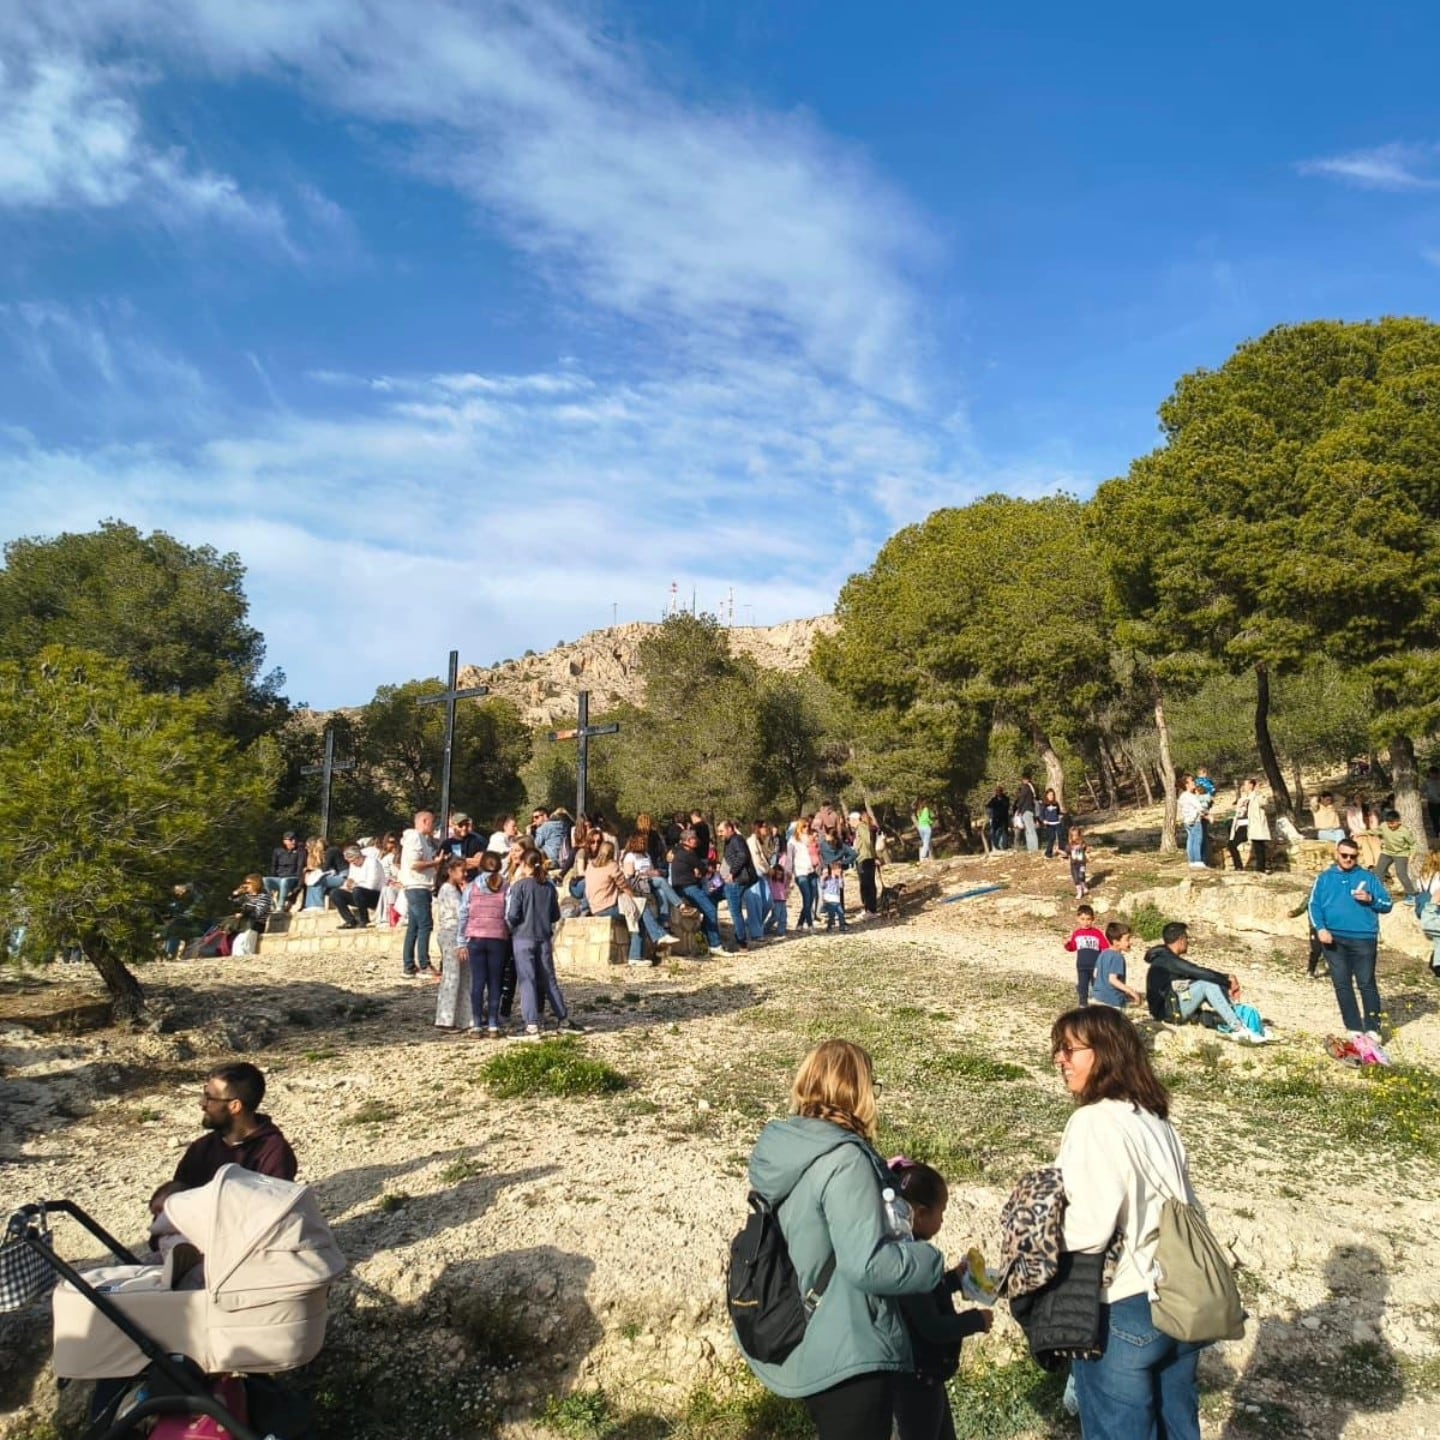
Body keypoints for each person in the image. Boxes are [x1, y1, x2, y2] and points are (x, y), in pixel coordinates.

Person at [742, 1040, 943, 1440]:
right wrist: (930, 1261)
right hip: (850, 1345)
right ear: (856, 1091)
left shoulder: (792, 1150)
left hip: (811, 1333)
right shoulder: (846, 1160)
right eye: (872, 1085)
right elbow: (866, 1264)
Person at [1050, 1007, 1204, 1440]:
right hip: (1179, 1297)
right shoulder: (1156, 1120)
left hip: (1123, 1304)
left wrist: (1037, 1244)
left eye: (1069, 1050)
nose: (1060, 1060)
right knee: (1179, 1428)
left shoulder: (1093, 1121)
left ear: (1104, 1053)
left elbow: (1089, 1229)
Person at [885, 1159, 993, 1440]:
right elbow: (933, 1327)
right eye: (941, 1212)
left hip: (925, 1378)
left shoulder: (902, 1252)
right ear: (921, 1214)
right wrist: (976, 1320)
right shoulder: (910, 1263)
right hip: (915, 1384)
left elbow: (928, 1295)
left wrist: (954, 1279)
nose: (943, 1220)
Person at [1307, 838, 1391, 1039]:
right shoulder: (1324, 878)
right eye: (1344, 855)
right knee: (1342, 984)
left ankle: (1373, 1028)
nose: (1348, 859)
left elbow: (1387, 904)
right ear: (1337, 854)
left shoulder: (1368, 878)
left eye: (1353, 856)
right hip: (1333, 939)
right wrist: (1321, 929)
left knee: (1366, 983)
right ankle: (1353, 1028)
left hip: (1364, 939)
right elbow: (1313, 905)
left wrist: (1371, 899)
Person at [173, 1062, 297, 1188]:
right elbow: (178, 1194)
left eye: (209, 1098)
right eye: (204, 1094)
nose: (202, 1103)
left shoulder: (272, 1153)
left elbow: (273, 1197)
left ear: (235, 1106)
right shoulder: (202, 1148)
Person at [507, 854, 586, 1037]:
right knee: (549, 979)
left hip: (523, 937)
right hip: (543, 937)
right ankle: (563, 1019)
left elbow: (513, 915)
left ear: (525, 865)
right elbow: (555, 915)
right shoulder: (549, 887)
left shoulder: (520, 886)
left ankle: (531, 1025)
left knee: (527, 981)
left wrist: (512, 926)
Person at [1143, 922, 1261, 1042]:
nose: (1188, 942)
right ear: (1181, 939)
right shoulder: (1168, 960)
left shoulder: (1165, 958)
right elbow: (1197, 972)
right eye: (1187, 938)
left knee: (1207, 992)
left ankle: (1236, 1017)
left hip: (1169, 1008)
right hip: (1168, 1013)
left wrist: (1225, 983)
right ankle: (1238, 1029)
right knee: (1206, 985)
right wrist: (1228, 981)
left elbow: (1194, 975)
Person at [587, 841, 678, 964]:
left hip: (595, 907)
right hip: (608, 907)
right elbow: (624, 886)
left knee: (638, 914)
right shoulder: (611, 866)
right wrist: (634, 898)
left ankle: (641, 953)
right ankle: (651, 942)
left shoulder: (590, 866)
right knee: (640, 908)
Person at [460, 853, 510, 1036]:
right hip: (497, 938)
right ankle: (493, 1023)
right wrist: (507, 929)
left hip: (475, 938)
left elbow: (463, 914)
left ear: (480, 867)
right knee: (495, 981)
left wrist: (460, 940)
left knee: (478, 982)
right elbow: (509, 914)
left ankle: (476, 1023)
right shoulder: (505, 886)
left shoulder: (472, 887)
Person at [399, 810, 442, 979]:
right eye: (432, 822)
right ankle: (424, 964)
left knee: (414, 927)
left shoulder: (421, 839)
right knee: (425, 925)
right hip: (417, 886)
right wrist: (435, 863)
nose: (433, 825)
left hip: (416, 886)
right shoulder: (415, 838)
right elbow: (415, 864)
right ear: (424, 821)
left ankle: (409, 966)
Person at [671, 828, 725, 956]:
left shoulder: (680, 851)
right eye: (694, 838)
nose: (696, 841)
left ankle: (705, 938)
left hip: (687, 886)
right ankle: (715, 944)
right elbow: (702, 868)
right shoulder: (687, 854)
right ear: (687, 840)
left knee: (712, 902)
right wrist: (703, 871)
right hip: (688, 887)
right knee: (710, 909)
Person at [433, 858, 472, 1032]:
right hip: (452, 934)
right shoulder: (448, 890)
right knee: (452, 976)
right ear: (451, 871)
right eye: (462, 871)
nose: (465, 874)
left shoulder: (453, 889)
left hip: (458, 934)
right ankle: (445, 1019)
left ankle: (465, 1017)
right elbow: (461, 912)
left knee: (464, 977)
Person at [720, 820, 762, 950]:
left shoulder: (736, 840)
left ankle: (741, 942)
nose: (719, 834)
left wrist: (732, 873)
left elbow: (742, 856)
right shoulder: (731, 841)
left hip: (737, 880)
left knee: (735, 911)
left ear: (729, 829)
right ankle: (738, 939)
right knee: (721, 901)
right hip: (735, 880)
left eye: (721, 831)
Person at [1091, 922, 1143, 1010]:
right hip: (1112, 1001)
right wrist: (1131, 992)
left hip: (1098, 997)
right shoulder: (1118, 957)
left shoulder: (1103, 953)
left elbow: (1095, 974)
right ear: (1116, 942)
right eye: (1127, 939)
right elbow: (1112, 980)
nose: (1130, 942)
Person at [1063, 904, 1107, 1007]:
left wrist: (1104, 961)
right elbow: (1072, 947)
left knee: (1097, 986)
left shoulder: (1097, 933)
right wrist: (1067, 944)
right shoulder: (1077, 933)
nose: (1085, 922)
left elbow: (1105, 947)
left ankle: (1098, 1005)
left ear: (1093, 919)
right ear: (1078, 919)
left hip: (1095, 966)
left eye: (1088, 919)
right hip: (1082, 966)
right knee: (1082, 987)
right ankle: (1083, 1005)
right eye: (1082, 919)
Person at [333, 841, 384, 929]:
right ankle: (350, 921)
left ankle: (364, 920)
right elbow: (351, 879)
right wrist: (347, 885)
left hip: (375, 895)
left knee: (357, 891)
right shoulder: (353, 865)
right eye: (350, 862)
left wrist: (355, 885)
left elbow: (371, 885)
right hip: (358, 894)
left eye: (353, 861)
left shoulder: (372, 863)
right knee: (335, 893)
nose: (352, 863)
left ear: (359, 857)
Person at [1227, 779, 1270, 873]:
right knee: (1231, 844)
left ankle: (1260, 869)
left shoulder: (1257, 797)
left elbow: (1264, 802)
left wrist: (1258, 792)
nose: (1244, 786)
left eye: (1245, 784)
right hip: (1242, 825)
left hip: (1253, 824)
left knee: (1258, 845)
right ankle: (1238, 866)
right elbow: (1239, 812)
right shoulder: (1243, 798)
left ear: (1251, 785)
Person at [1375, 809, 1419, 897]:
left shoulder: (1404, 831)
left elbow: (1413, 844)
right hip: (1387, 852)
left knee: (1401, 873)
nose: (1390, 826)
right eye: (1388, 824)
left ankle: (1411, 893)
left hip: (1401, 854)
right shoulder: (1384, 826)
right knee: (1379, 871)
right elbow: (1375, 831)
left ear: (1398, 821)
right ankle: (1378, 891)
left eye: (1392, 824)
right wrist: (1362, 833)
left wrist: (1412, 855)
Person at [789, 818, 820, 932]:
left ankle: (800, 923)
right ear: (799, 827)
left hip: (812, 870)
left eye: (808, 826)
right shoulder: (793, 841)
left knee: (811, 898)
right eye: (804, 826)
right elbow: (790, 858)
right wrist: (790, 875)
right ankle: (810, 924)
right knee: (807, 897)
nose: (807, 828)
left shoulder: (811, 838)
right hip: (800, 872)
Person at [263, 831, 305, 913]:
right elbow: (274, 866)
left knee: (284, 881)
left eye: (295, 839)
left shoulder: (300, 851)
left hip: (292, 878)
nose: (293, 841)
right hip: (280, 878)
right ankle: (271, 904)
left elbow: (300, 868)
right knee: (265, 880)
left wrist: (298, 885)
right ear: (284, 841)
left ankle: (280, 906)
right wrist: (273, 877)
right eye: (291, 840)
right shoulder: (278, 851)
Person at [1178, 776, 1209, 869]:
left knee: (1190, 840)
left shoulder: (1182, 796)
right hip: (1195, 821)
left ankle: (1192, 861)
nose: (1194, 783)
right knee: (1197, 840)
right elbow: (1200, 808)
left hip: (1187, 821)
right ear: (1186, 784)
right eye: (1191, 781)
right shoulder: (1191, 796)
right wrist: (1207, 814)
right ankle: (1198, 861)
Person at [854, 810, 880, 917]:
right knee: (868, 883)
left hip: (864, 858)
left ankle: (870, 909)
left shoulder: (861, 827)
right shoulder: (869, 828)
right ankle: (869, 908)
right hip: (867, 858)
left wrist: (874, 856)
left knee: (866, 884)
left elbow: (868, 843)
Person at [1014, 770, 1039, 853]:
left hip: (1026, 810)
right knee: (1028, 830)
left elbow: (1022, 800)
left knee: (1030, 830)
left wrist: (1019, 808)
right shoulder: (1033, 787)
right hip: (1030, 810)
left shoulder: (1026, 788)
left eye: (1024, 779)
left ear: (1025, 779)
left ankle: (1034, 848)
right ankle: (1030, 848)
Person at [821, 863, 848, 932]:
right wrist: (823, 878)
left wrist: (840, 877)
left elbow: (841, 886)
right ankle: (830, 927)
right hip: (830, 899)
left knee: (841, 913)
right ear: (833, 870)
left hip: (836, 899)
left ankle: (842, 926)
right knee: (832, 914)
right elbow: (822, 886)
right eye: (838, 869)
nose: (840, 870)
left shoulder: (837, 879)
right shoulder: (828, 879)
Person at [1037, 790, 1063, 859]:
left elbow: (1058, 813)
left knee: (1060, 836)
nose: (1051, 796)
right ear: (1046, 796)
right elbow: (1041, 815)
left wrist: (1060, 816)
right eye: (1050, 795)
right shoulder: (1044, 804)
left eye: (1052, 795)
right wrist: (1043, 820)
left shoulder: (1056, 803)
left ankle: (1062, 852)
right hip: (1049, 824)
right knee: (1052, 837)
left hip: (1057, 823)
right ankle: (1048, 853)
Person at [985, 786, 1010, 852]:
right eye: (997, 791)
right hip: (995, 818)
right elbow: (988, 806)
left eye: (999, 791)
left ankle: (1004, 846)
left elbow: (1006, 806)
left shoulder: (1006, 799)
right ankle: (996, 845)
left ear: (1001, 791)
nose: (998, 792)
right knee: (992, 832)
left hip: (1003, 818)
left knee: (1004, 832)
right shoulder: (994, 799)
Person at [1068, 827, 1089, 900]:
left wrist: (1086, 849)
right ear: (1070, 837)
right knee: (1076, 878)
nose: (1075, 837)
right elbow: (1066, 853)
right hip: (1073, 864)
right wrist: (1058, 851)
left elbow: (1086, 848)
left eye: (1076, 835)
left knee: (1081, 876)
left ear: (1079, 835)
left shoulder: (1082, 843)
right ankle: (1079, 892)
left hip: (1082, 864)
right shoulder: (1069, 845)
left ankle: (1084, 886)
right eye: (1073, 836)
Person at [1425, 768, 1440, 839]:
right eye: (1431, 773)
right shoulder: (1426, 782)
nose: (1433, 775)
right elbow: (1421, 791)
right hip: (1432, 803)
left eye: (1435, 773)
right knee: (1434, 819)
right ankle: (1437, 833)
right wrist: (1427, 795)